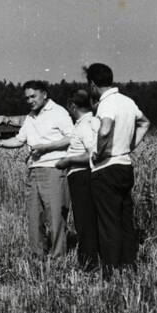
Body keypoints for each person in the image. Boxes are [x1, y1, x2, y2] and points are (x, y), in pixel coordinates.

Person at [0, 80, 74, 257]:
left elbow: (72, 138)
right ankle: (37, 255)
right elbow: (20, 140)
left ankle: (58, 258)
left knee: (55, 216)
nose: (30, 101)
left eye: (33, 96)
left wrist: (46, 147)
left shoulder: (59, 112)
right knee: (34, 217)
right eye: (27, 98)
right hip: (33, 170)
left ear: (44, 94)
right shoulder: (30, 117)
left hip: (54, 169)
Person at [84, 62, 152, 272]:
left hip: (107, 167)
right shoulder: (127, 101)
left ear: (93, 84)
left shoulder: (106, 104)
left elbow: (104, 131)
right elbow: (145, 123)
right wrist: (129, 146)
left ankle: (111, 269)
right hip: (125, 165)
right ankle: (128, 265)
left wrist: (100, 152)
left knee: (108, 222)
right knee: (125, 218)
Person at [55, 90, 102, 271]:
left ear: (72, 106)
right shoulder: (94, 122)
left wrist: (68, 161)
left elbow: (92, 154)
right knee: (88, 219)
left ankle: (88, 262)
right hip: (85, 175)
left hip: (81, 176)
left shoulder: (84, 126)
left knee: (84, 220)